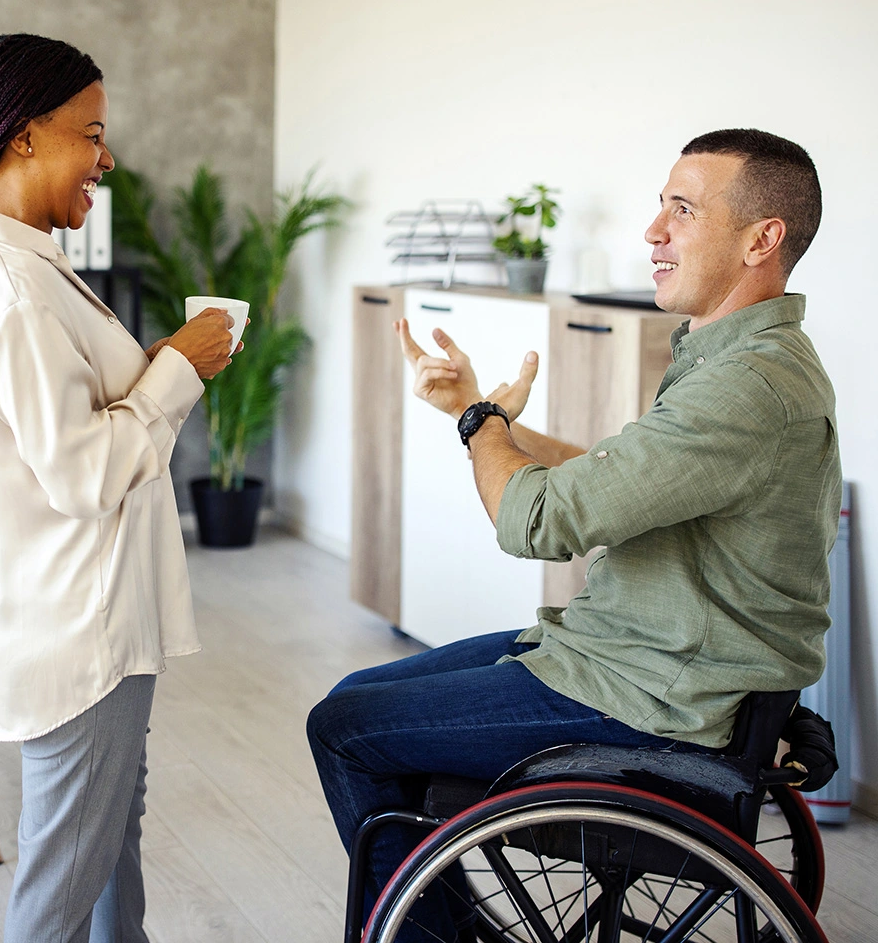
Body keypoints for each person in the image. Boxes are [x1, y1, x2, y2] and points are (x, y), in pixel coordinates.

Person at [307, 128, 842, 941]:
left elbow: (538, 520)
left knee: (342, 728)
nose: (653, 231)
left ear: (761, 239)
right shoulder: (735, 356)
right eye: (663, 204)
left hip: (653, 693)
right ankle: (429, 905)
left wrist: (481, 421)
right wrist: (475, 418)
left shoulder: (748, 385)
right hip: (626, 655)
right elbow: (612, 478)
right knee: (355, 701)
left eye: (683, 209)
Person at [0, 34, 239, 943]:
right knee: (62, 884)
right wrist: (179, 371)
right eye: (92, 133)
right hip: (80, 632)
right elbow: (84, 475)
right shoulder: (11, 292)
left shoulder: (25, 268)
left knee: (107, 843)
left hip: (83, 619)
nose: (107, 157)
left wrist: (161, 363)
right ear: (25, 135)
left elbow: (64, 420)